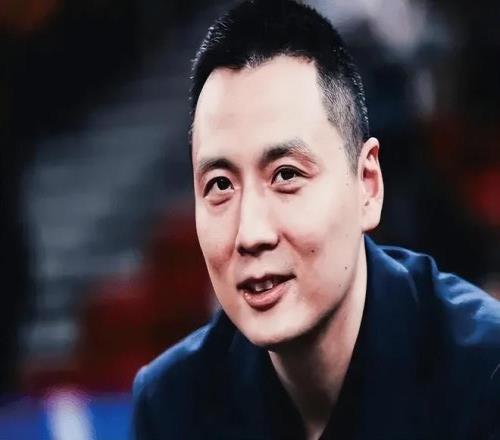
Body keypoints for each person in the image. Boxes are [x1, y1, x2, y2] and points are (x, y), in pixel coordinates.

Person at [131, 1, 500, 438]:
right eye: (220, 185)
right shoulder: (171, 405)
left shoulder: (484, 374)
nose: (251, 233)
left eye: (286, 175)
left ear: (367, 185)